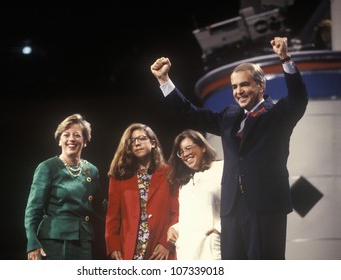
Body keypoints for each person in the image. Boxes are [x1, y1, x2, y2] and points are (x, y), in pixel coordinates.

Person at [150, 37, 308, 259]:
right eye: (234, 86)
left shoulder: (278, 114)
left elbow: (299, 98)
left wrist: (285, 58)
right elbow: (190, 113)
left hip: (265, 205)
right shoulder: (229, 116)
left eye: (244, 84)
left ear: (260, 86)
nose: (238, 91)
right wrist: (164, 80)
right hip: (232, 208)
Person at [24, 113, 107, 260]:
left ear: (85, 141)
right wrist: (32, 243)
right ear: (59, 140)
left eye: (77, 135)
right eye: (66, 135)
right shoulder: (47, 167)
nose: (71, 139)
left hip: (84, 241)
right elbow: (33, 208)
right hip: (53, 241)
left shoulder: (92, 171)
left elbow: (101, 205)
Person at [105, 123, 179, 260]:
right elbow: (112, 216)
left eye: (141, 138)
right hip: (130, 248)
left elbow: (177, 212)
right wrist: (113, 245)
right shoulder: (119, 177)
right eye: (132, 141)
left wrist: (166, 243)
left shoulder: (170, 173)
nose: (137, 143)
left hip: (159, 250)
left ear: (153, 143)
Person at [166, 129, 223, 260]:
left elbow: (238, 204)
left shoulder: (221, 169)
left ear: (203, 147)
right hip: (187, 252)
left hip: (211, 250)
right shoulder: (184, 183)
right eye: (181, 152)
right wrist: (175, 228)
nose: (185, 154)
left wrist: (220, 229)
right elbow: (190, 216)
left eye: (188, 148)